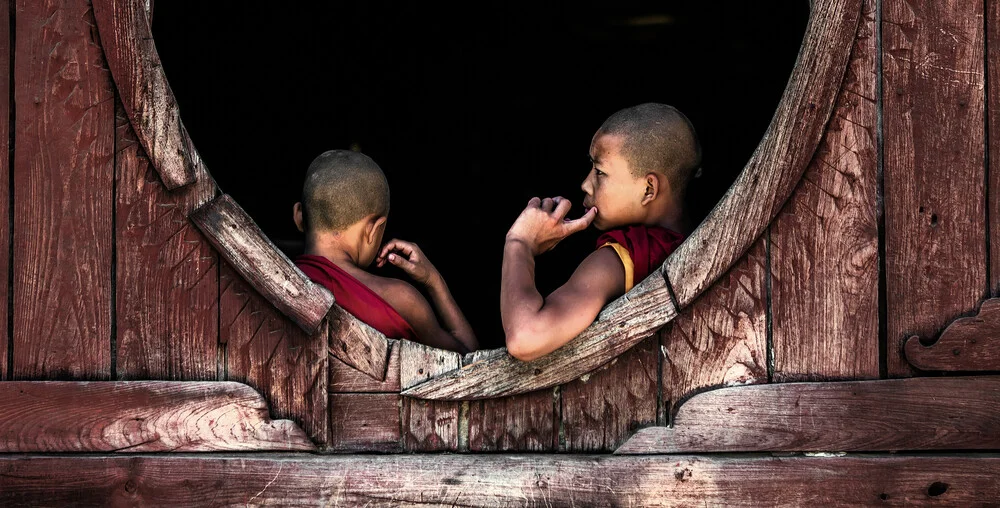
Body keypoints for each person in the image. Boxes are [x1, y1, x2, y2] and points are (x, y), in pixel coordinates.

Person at [501, 103, 699, 361]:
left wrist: (519, 244)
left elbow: (526, 337)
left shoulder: (623, 255)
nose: (586, 184)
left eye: (600, 172)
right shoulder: (701, 238)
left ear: (649, 189)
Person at [292, 149, 478, 354]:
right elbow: (470, 356)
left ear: (299, 216)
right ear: (373, 229)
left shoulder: (275, 282)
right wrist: (433, 280)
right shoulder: (401, 299)